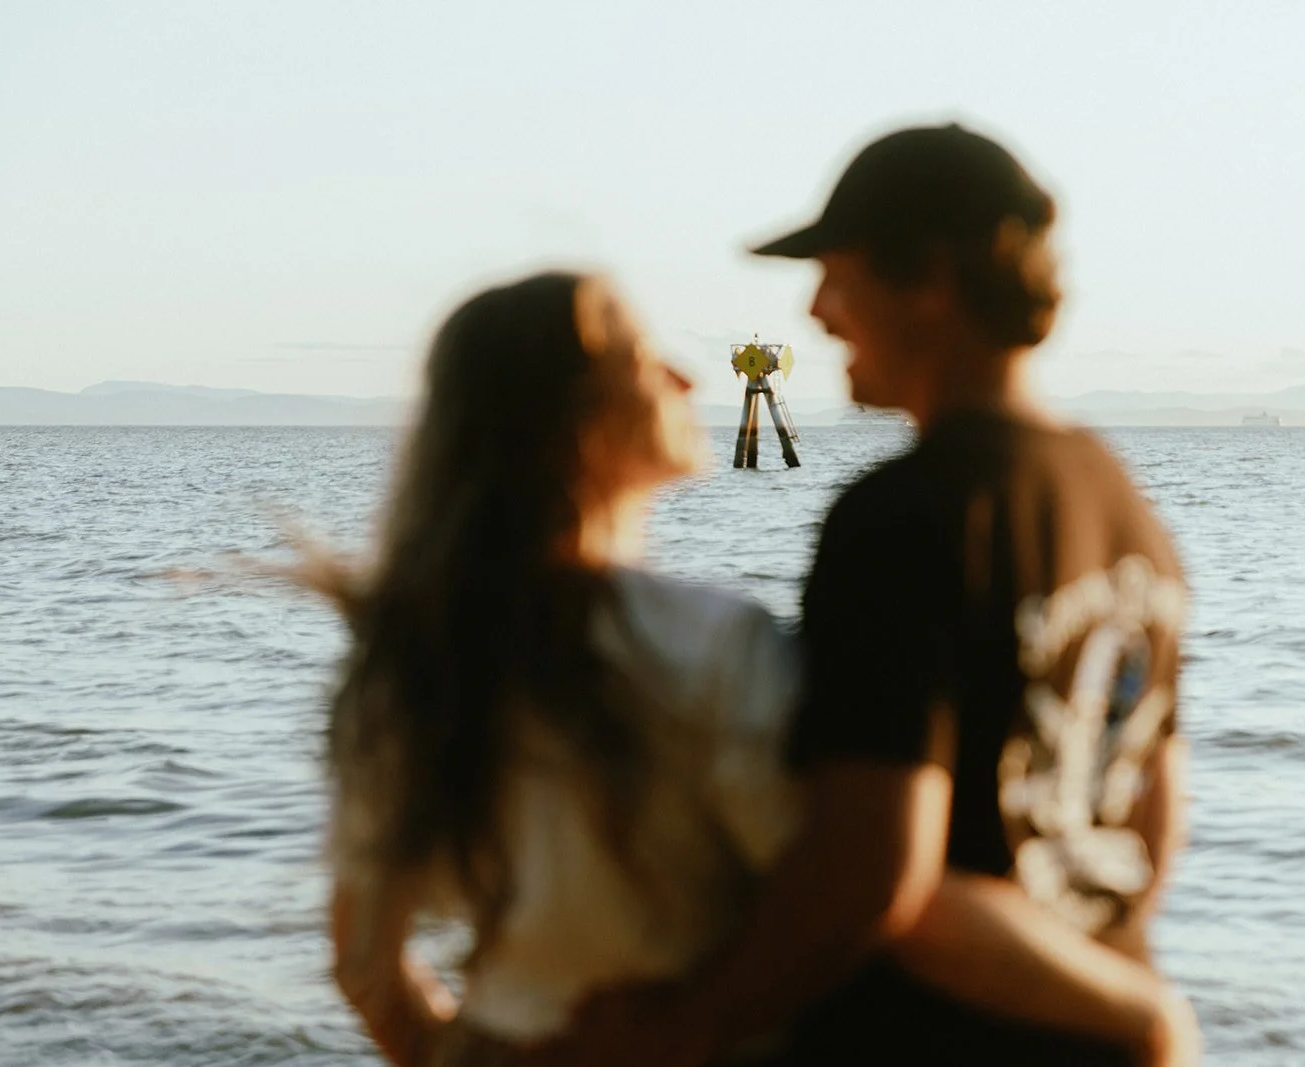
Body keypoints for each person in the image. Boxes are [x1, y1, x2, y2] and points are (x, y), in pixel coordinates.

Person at [297, 270, 1189, 1067]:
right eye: (644, 361)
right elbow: (864, 888)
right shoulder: (704, 645)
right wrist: (1137, 1010)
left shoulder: (403, 661)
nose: (687, 378)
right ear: (574, 420)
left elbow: (366, 966)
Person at [547, 124, 1196, 1067]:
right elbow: (1152, 817)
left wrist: (682, 1026)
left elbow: (871, 870)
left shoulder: (905, 517)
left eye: (836, 277)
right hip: (1093, 1013)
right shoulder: (1124, 504)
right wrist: (1116, 992)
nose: (816, 311)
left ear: (928, 279)